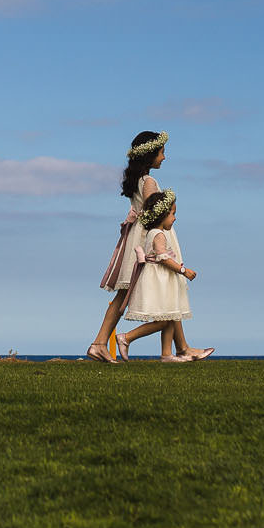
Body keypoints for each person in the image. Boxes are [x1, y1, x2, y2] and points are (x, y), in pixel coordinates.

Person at [86, 130, 164, 362]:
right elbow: (152, 214)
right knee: (166, 287)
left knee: (122, 295)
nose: (164, 157)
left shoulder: (137, 181)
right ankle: (177, 349)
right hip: (144, 240)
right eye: (161, 152)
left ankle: (99, 342)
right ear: (150, 155)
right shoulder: (149, 181)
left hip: (133, 237)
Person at [114, 193, 204, 362]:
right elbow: (163, 258)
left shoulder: (153, 232)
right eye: (172, 214)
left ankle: (167, 354)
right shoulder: (158, 234)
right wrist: (183, 270)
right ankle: (126, 337)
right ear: (162, 215)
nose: (175, 219)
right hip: (159, 280)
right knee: (164, 320)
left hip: (162, 279)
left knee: (169, 317)